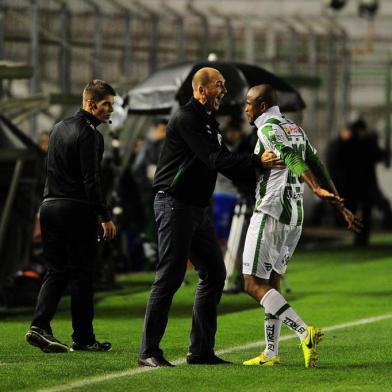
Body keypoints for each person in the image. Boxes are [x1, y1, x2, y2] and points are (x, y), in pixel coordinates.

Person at [138, 67, 284, 368]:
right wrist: (258, 161)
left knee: (215, 274)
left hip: (196, 209)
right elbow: (216, 159)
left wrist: (256, 168)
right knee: (170, 276)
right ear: (201, 89)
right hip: (175, 204)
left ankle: (200, 351)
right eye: (219, 85)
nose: (224, 91)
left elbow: (225, 161)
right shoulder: (186, 119)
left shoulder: (207, 122)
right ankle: (148, 351)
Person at [241, 84, 361, 368]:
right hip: (294, 216)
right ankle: (271, 352)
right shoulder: (295, 127)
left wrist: (317, 190)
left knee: (250, 283)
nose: (245, 108)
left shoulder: (267, 128)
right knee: (272, 281)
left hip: (271, 211)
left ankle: (304, 332)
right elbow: (316, 163)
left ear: (260, 105)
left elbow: (292, 158)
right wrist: (339, 203)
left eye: (248, 103)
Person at [25, 79, 117, 353]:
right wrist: (104, 215)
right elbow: (92, 181)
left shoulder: (58, 128)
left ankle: (40, 325)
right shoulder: (90, 135)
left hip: (50, 206)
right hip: (76, 209)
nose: (110, 110)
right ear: (90, 104)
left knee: (57, 270)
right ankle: (84, 338)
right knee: (82, 274)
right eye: (106, 104)